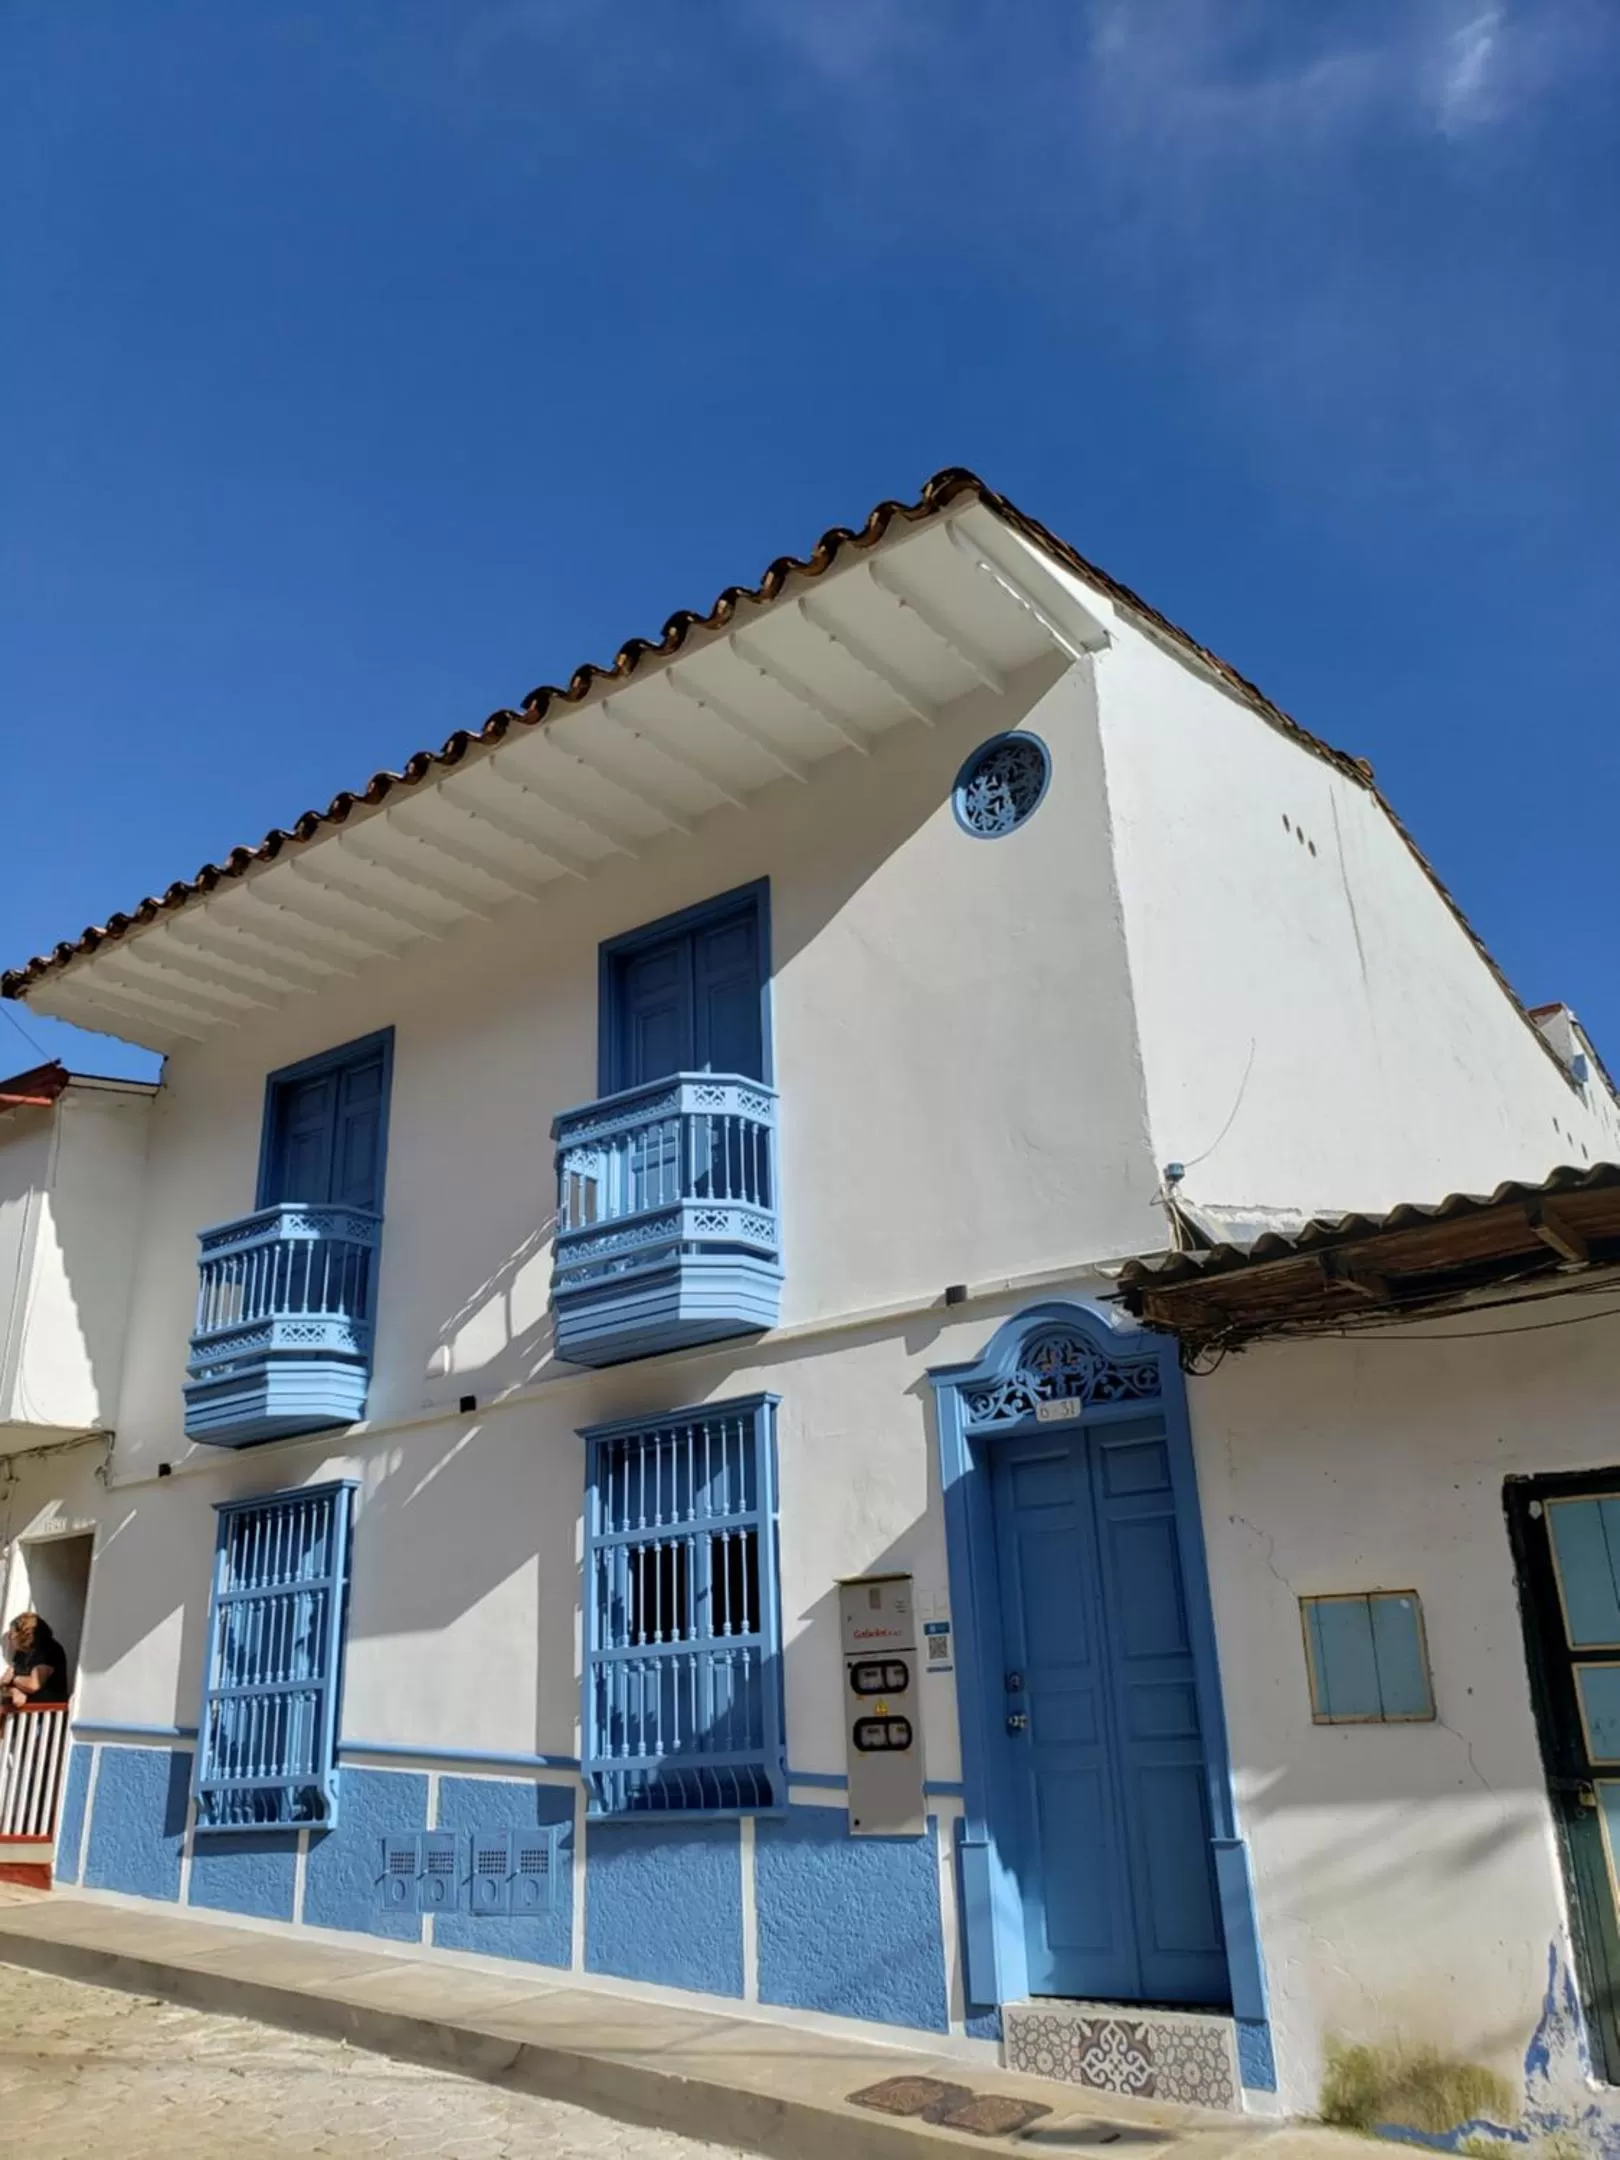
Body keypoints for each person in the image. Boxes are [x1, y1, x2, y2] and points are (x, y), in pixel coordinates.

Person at [0, 1613, 69, 1718]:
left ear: (23, 1632)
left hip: (46, 1716)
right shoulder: (21, 1653)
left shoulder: (49, 1649)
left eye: (11, 1633)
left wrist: (13, 1678)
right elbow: (3, 1684)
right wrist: (13, 1691)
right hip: (24, 1716)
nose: (9, 1638)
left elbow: (34, 1684)